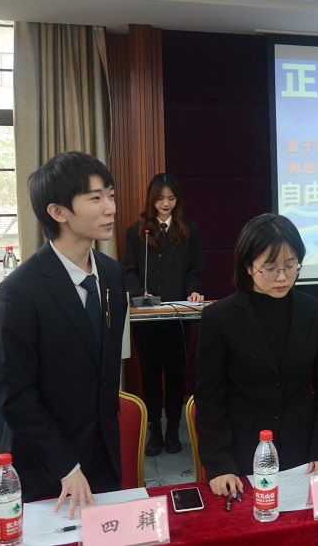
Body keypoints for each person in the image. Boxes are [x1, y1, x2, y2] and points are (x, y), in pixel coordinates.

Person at [0, 151, 127, 518]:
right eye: (95, 198)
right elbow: (14, 395)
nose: (111, 208)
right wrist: (65, 466)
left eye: (111, 195)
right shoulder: (19, 292)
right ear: (58, 212)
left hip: (104, 456)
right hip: (47, 467)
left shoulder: (113, 275)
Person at [195, 213, 318, 498]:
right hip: (243, 452)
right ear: (248, 266)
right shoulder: (220, 317)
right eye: (270, 268)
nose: (282, 277)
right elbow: (209, 398)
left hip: (305, 449)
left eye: (291, 265)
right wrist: (220, 463)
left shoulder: (315, 312)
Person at [122, 173, 204, 456]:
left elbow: (194, 270)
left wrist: (192, 291)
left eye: (171, 198)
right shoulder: (137, 231)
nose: (166, 204)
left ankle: (173, 430)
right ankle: (155, 430)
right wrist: (139, 293)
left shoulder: (189, 230)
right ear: (151, 199)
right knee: (150, 374)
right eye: (160, 199)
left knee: (176, 373)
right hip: (146, 318)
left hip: (177, 316)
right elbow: (129, 270)